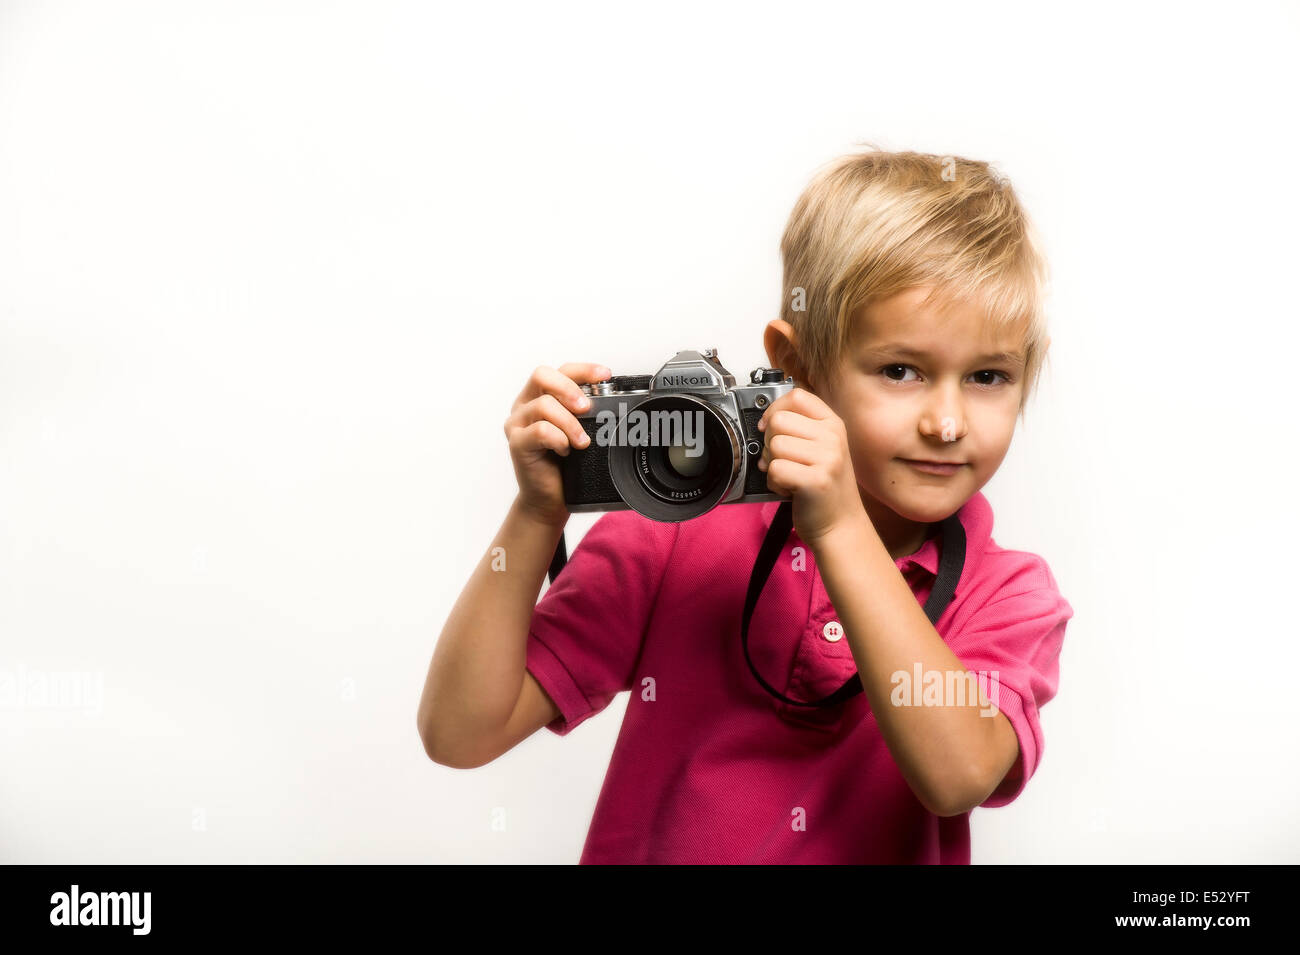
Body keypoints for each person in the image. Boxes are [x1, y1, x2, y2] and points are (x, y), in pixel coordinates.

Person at [417, 146, 1074, 864]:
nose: (946, 422)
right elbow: (459, 733)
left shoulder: (1011, 594)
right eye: (901, 370)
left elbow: (957, 775)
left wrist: (841, 526)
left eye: (987, 375)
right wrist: (536, 515)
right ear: (796, 366)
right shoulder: (673, 531)